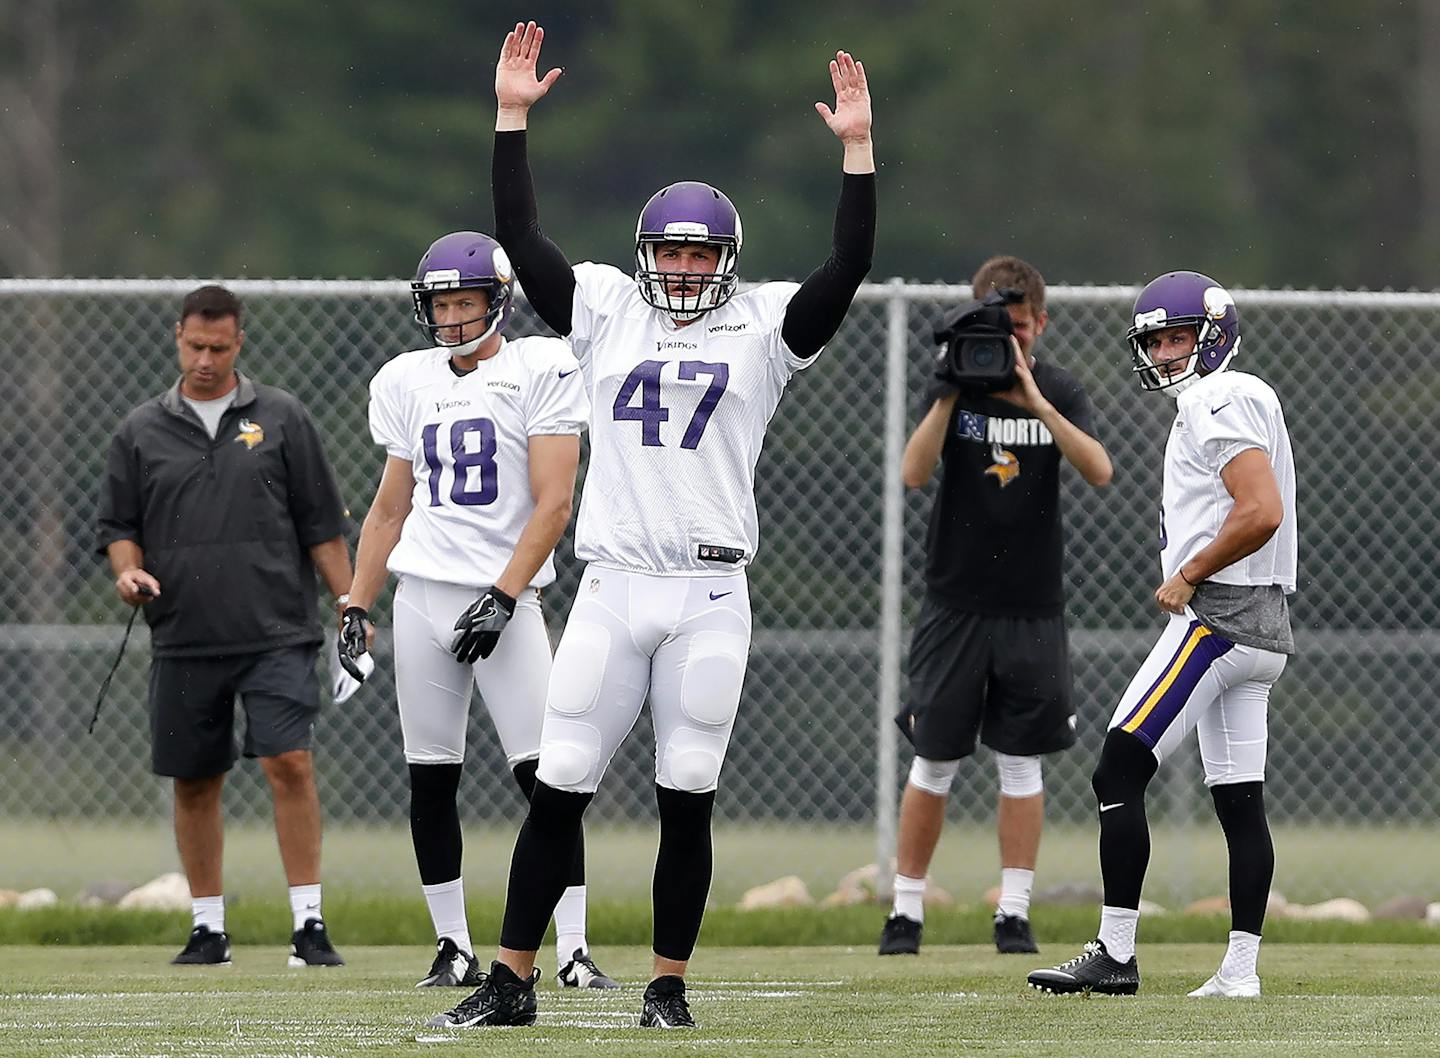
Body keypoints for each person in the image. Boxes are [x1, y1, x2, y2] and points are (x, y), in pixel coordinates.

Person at [423, 20, 874, 1030]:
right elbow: (523, 242)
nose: (677, 268)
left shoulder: (761, 328)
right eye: (666, 251)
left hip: (711, 591)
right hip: (615, 582)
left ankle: (667, 983)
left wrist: (856, 149)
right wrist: (509, 120)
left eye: (694, 252)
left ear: (725, 259)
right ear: (643, 254)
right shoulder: (605, 308)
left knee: (687, 791)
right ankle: (510, 977)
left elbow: (848, 265)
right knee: (560, 784)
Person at [337, 231, 615, 991]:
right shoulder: (405, 379)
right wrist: (357, 601)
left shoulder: (540, 366)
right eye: (442, 304)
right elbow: (390, 508)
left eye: (466, 302)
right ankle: (453, 945)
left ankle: (574, 947)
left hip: (506, 601)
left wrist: (504, 594)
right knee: (431, 778)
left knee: (547, 778)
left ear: (499, 300)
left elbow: (555, 503)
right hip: (422, 595)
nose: (454, 318)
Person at [1028, 270, 1296, 997]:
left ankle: (1116, 953)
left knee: (1117, 768)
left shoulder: (1215, 395)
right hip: (1265, 627)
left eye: (1179, 337)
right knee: (1241, 801)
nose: (1167, 353)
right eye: (1157, 341)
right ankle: (1240, 971)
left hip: (1217, 618)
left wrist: (1190, 573)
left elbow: (1260, 508)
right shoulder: (1251, 392)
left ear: (1215, 336)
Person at [96, 284, 352, 967]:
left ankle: (308, 925)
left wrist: (350, 603)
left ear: (240, 343)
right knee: (194, 780)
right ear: (177, 338)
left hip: (277, 629)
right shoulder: (139, 432)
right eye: (194, 345)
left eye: (219, 347)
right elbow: (119, 528)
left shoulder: (283, 418)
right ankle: (208, 928)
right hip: (184, 634)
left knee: (288, 762)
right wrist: (128, 572)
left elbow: (321, 525)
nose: (205, 359)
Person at [879, 256, 1112, 957]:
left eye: (1016, 328)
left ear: (1039, 323)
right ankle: (906, 912)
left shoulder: (1060, 388)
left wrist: (1035, 399)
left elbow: (1099, 470)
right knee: (934, 759)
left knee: (1022, 762)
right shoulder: (956, 386)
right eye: (994, 328)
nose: (1006, 343)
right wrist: (951, 391)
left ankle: (1013, 911)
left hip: (1032, 606)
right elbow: (913, 473)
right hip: (956, 602)